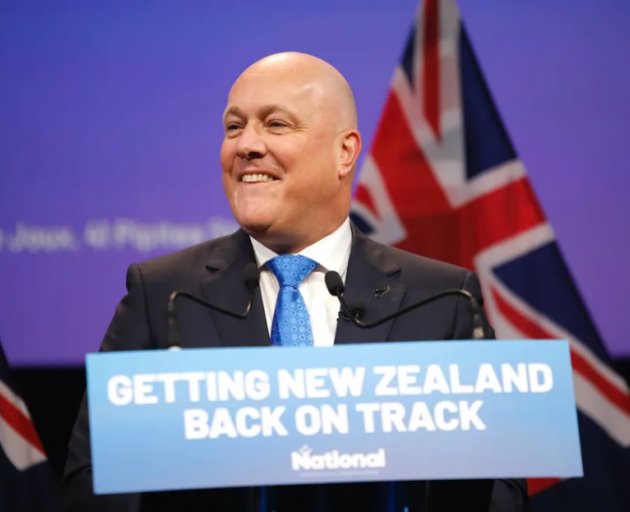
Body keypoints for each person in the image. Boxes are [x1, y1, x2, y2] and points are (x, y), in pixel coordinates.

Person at [61, 52, 528, 511]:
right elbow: (92, 482)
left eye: (276, 124)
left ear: (343, 152)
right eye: (233, 127)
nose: (246, 145)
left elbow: (501, 491)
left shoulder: (443, 300)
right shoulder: (163, 294)